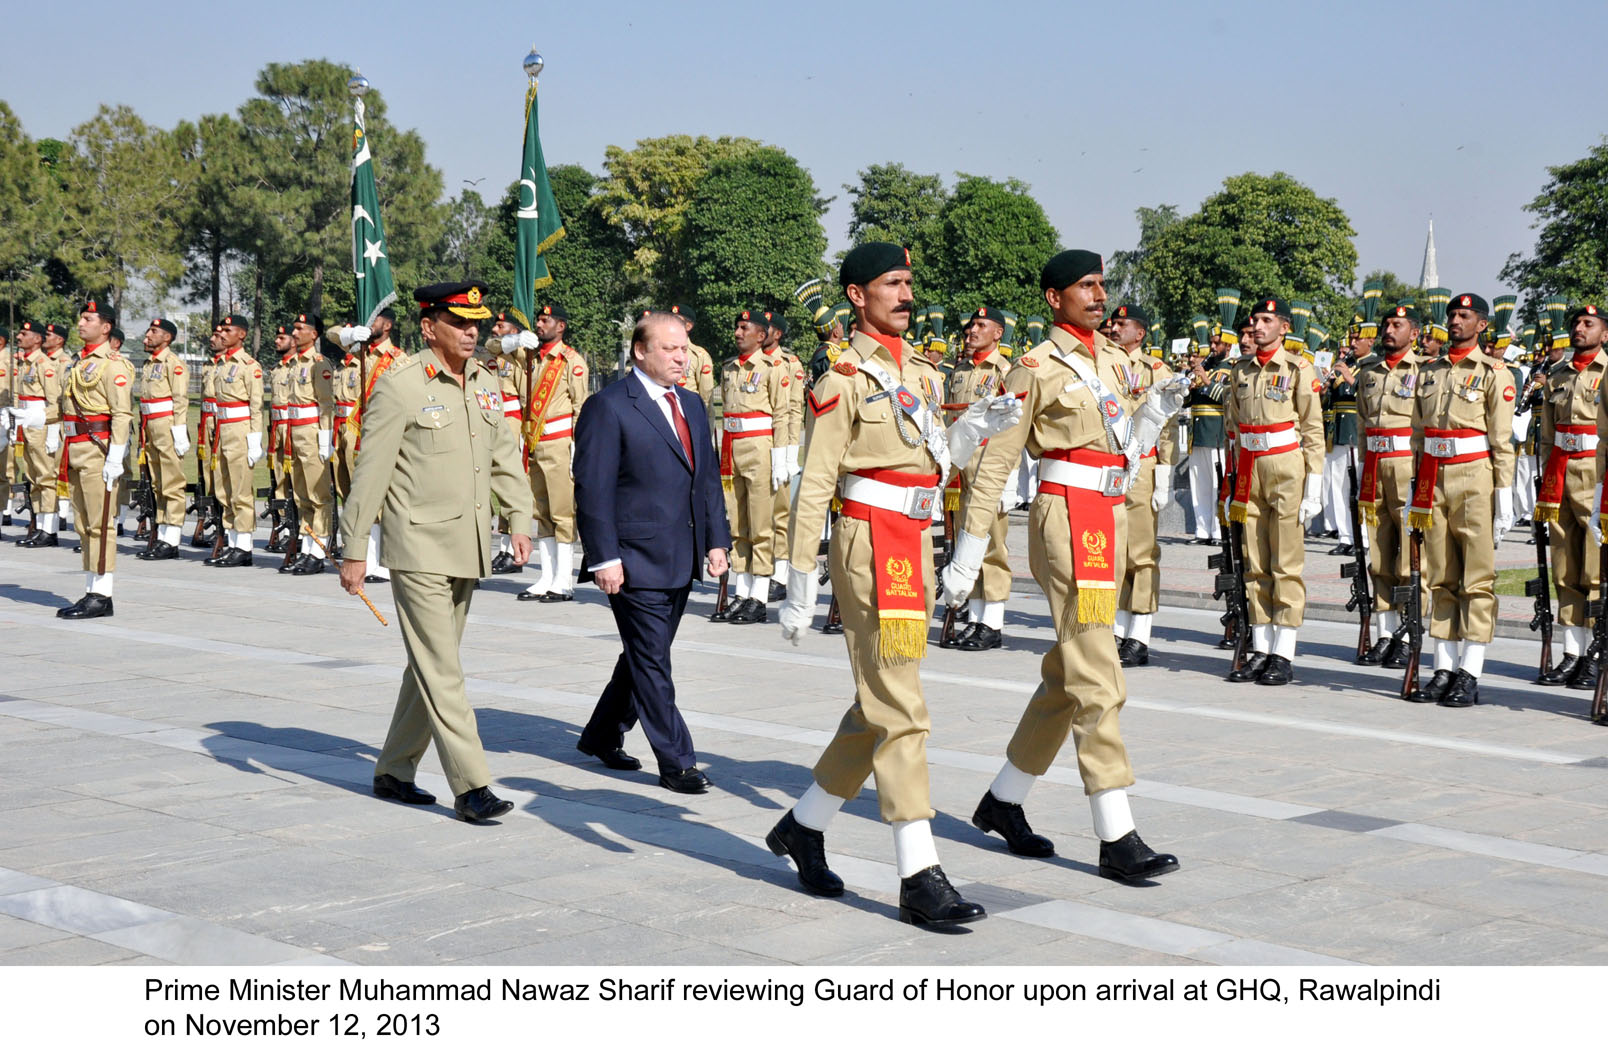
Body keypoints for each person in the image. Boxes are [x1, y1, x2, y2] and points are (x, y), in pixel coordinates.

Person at [772, 241, 1018, 928]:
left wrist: (969, 431)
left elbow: (929, 464)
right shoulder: (841, 378)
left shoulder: (924, 375)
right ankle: (918, 870)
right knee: (902, 706)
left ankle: (804, 825)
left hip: (913, 542)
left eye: (911, 282)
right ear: (857, 296)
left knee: (882, 700)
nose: (907, 295)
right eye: (892, 283)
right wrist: (798, 578)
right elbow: (816, 480)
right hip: (867, 544)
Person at [940, 249, 1182, 883]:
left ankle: (1005, 798)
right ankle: (1115, 831)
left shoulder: (1115, 360)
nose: (1099, 296)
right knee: (1099, 674)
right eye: (1085, 286)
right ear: (1054, 298)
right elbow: (995, 462)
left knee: (1070, 667)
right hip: (1067, 522)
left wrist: (1155, 414)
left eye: (1102, 285)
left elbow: (1124, 445)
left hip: (1108, 518)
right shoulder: (1033, 369)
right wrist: (968, 549)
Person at [339, 281, 534, 823]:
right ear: (429, 327)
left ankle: (394, 769)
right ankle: (472, 786)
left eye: (477, 323)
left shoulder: (485, 384)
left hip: (467, 545)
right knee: (444, 668)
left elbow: (504, 459)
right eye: (459, 322)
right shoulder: (400, 385)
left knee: (427, 664)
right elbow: (370, 474)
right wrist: (355, 549)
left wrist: (519, 518)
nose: (472, 331)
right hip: (417, 546)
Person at [572, 312, 730, 792]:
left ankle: (602, 734)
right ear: (641, 351)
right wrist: (603, 557)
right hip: (633, 558)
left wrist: (717, 539)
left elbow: (705, 480)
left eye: (685, 349)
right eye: (670, 349)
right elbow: (593, 488)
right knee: (652, 661)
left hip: (680, 555)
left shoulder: (692, 405)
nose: (682, 357)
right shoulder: (610, 405)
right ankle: (677, 760)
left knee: (646, 654)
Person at [1407, 293, 1516, 706]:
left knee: (1476, 578)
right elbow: (1418, 433)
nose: (1454, 320)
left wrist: (1503, 495)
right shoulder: (1430, 370)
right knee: (1440, 575)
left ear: (1481, 325)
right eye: (1452, 314)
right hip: (1433, 477)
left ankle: (1470, 670)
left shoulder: (1493, 373)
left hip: (1474, 476)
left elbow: (1502, 441)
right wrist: (1415, 488)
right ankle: (1444, 667)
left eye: (1464, 315)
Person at [1221, 297, 1326, 684]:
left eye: (1266, 320)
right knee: (1254, 561)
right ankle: (1261, 647)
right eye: (1255, 320)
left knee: (1285, 562)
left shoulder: (1299, 368)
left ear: (1284, 327)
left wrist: (1313, 485)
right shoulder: (1241, 370)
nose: (1257, 326)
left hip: (1285, 466)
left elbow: (1313, 430)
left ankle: (1283, 652)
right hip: (1249, 467)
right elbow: (1233, 426)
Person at [1536, 304, 1606, 688]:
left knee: (1595, 571)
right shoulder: (1558, 375)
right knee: (1564, 568)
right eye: (1577, 323)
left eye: (1588, 324)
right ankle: (1572, 653)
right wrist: (1546, 476)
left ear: (1605, 333)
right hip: (1560, 474)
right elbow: (1548, 434)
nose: (1579, 328)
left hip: (1595, 476)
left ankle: (1595, 654)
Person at [1354, 305, 1425, 666]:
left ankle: (1408, 632)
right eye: (1386, 324)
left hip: (1406, 466)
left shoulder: (1424, 371)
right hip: (1375, 467)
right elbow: (1362, 424)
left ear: (1414, 334)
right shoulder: (1369, 373)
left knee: (1409, 557)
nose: (1388, 330)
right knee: (1379, 555)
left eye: (1397, 325)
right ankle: (1384, 632)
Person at [942, 306, 1015, 650]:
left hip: (990, 464)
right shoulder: (960, 370)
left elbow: (1013, 427)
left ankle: (993, 621)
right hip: (960, 465)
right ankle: (974, 617)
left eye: (981, 325)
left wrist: (1011, 477)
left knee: (992, 543)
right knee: (964, 540)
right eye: (971, 324)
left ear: (998, 333)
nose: (972, 330)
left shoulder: (1005, 370)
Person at [1107, 304, 1176, 667]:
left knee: (1141, 553)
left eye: (1122, 324)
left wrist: (1164, 472)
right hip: (1110, 464)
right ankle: (1118, 629)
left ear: (1140, 332)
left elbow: (1167, 424)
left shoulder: (1156, 369)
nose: (1113, 328)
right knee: (1115, 551)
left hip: (1143, 464)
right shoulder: (1101, 363)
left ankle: (1140, 634)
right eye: (1113, 323)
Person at [715, 309, 793, 622]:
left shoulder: (774, 367)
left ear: (761, 336)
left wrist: (782, 456)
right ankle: (741, 591)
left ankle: (759, 595)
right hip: (732, 444)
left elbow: (783, 414)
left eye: (744, 327)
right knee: (737, 522)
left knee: (761, 523)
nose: (737, 332)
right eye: (736, 326)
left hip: (760, 447)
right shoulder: (729, 368)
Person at [57, 300, 133, 618]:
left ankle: (102, 594)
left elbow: (121, 413)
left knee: (101, 524)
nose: (81, 322)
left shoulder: (112, 364)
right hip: (75, 446)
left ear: (105, 327)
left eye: (88, 318)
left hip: (97, 448)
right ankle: (92, 589)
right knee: (83, 524)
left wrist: (116, 455)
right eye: (81, 317)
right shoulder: (79, 362)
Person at [517, 301, 589, 603]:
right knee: (541, 512)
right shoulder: (530, 357)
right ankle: (546, 576)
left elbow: (580, 407)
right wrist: (513, 341)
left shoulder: (571, 361)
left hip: (560, 444)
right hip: (534, 443)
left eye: (546, 320)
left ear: (561, 326)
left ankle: (563, 579)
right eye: (539, 319)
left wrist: (577, 449)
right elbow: (492, 349)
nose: (540, 324)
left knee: (562, 512)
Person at [205, 314, 264, 567]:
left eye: (228, 330)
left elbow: (256, 405)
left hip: (240, 429)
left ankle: (244, 546)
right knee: (224, 488)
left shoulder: (249, 365)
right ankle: (232, 541)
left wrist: (254, 439)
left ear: (241, 335)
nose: (223, 334)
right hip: (223, 428)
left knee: (240, 490)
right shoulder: (222, 364)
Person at [282, 312, 336, 574]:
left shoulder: (320, 363)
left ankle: (319, 552)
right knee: (301, 495)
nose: (294, 333)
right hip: (295, 433)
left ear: (314, 334)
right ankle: (307, 547)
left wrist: (325, 439)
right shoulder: (294, 364)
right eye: (294, 328)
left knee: (319, 495)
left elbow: (326, 403)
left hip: (312, 434)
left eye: (299, 328)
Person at [134, 318, 190, 560]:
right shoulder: (149, 363)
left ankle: (172, 538)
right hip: (150, 426)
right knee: (157, 483)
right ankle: (162, 533)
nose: (147, 335)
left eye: (153, 331)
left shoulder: (173, 363)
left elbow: (180, 399)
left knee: (171, 483)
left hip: (166, 426)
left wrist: (179, 431)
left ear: (166, 338)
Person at [10, 321, 60, 547]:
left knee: (46, 477)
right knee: (33, 476)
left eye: (24, 333)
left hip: (41, 424)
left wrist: (53, 431)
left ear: (37, 339)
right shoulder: (25, 364)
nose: (19, 337)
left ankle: (49, 529)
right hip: (26, 423)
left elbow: (54, 402)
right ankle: (39, 526)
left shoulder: (44, 364)